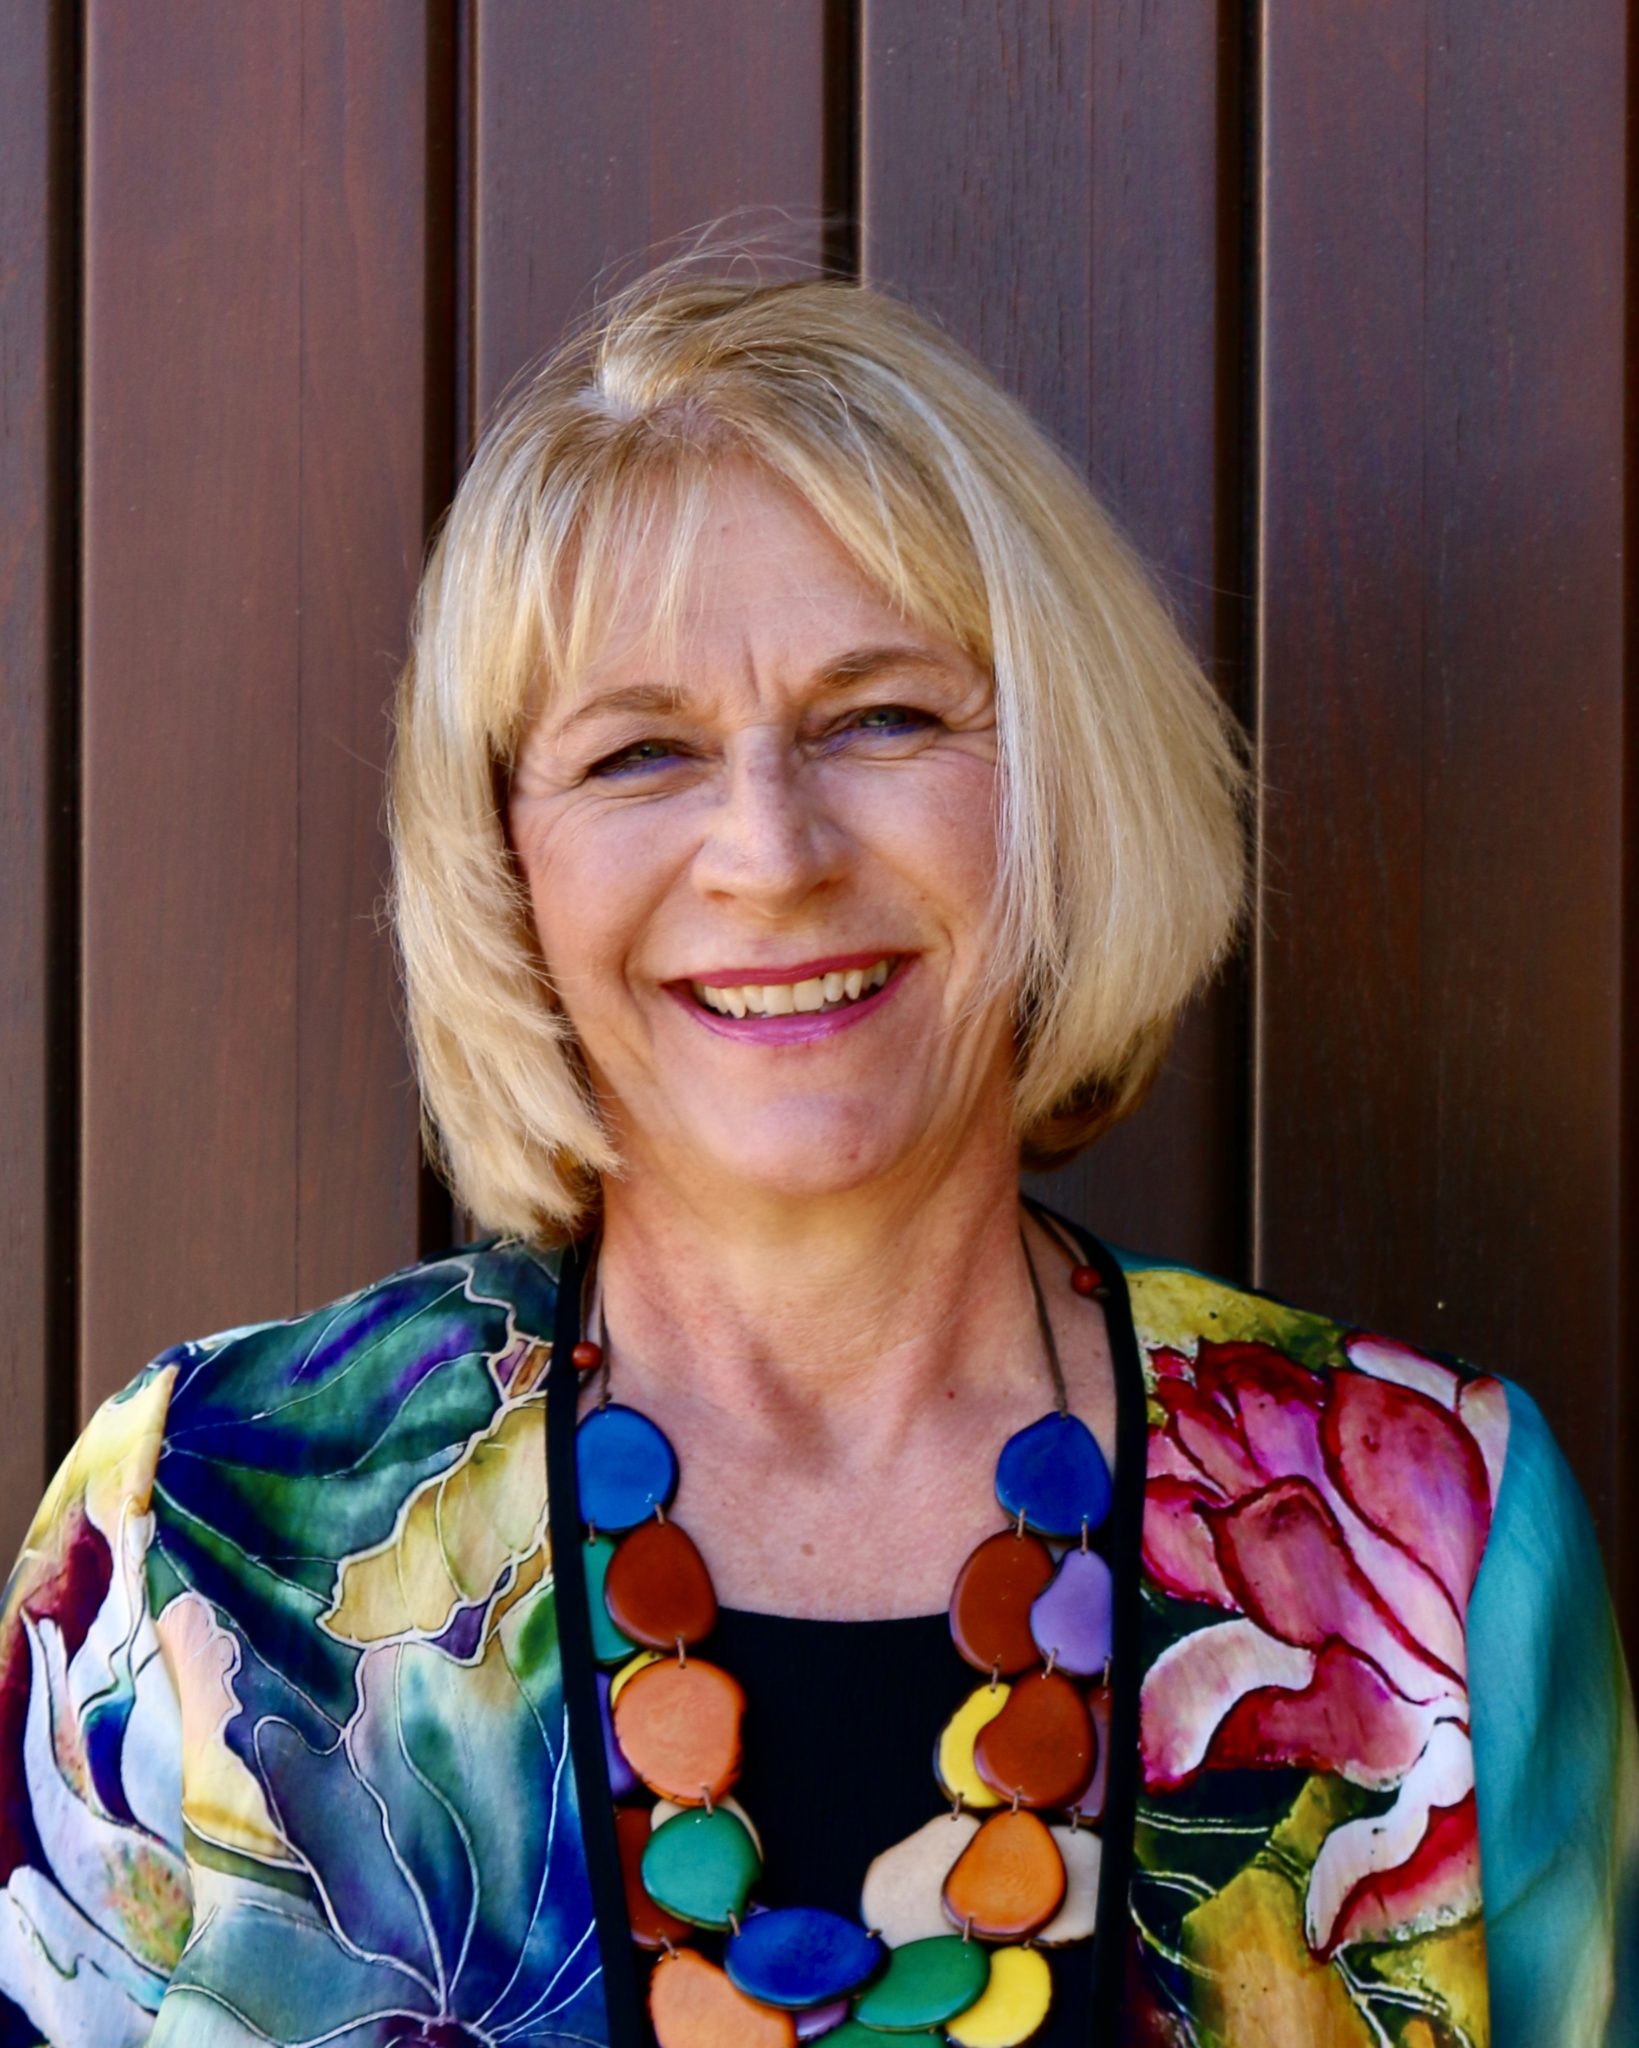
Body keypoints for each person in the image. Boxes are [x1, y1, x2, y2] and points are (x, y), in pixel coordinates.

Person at [0, 261, 1631, 2048]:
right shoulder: (195, 1535)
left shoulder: (1434, 1537)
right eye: (640, 753)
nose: (771, 856)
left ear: (1062, 787)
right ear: (506, 871)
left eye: (884, 718)